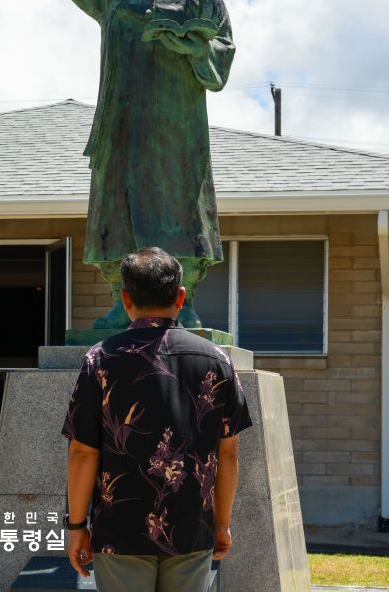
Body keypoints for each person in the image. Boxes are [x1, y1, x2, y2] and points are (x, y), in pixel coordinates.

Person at [42, 0, 236, 331]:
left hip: (177, 130)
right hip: (123, 123)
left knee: (179, 211)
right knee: (118, 210)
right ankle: (120, 299)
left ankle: (181, 301)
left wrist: (191, 46)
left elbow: (223, 52)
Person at [61, 247, 252, 592]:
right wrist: (221, 523)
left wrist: (76, 527)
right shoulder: (217, 360)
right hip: (191, 526)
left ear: (125, 299)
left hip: (120, 531)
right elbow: (228, 454)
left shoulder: (100, 360)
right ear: (180, 297)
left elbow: (83, 453)